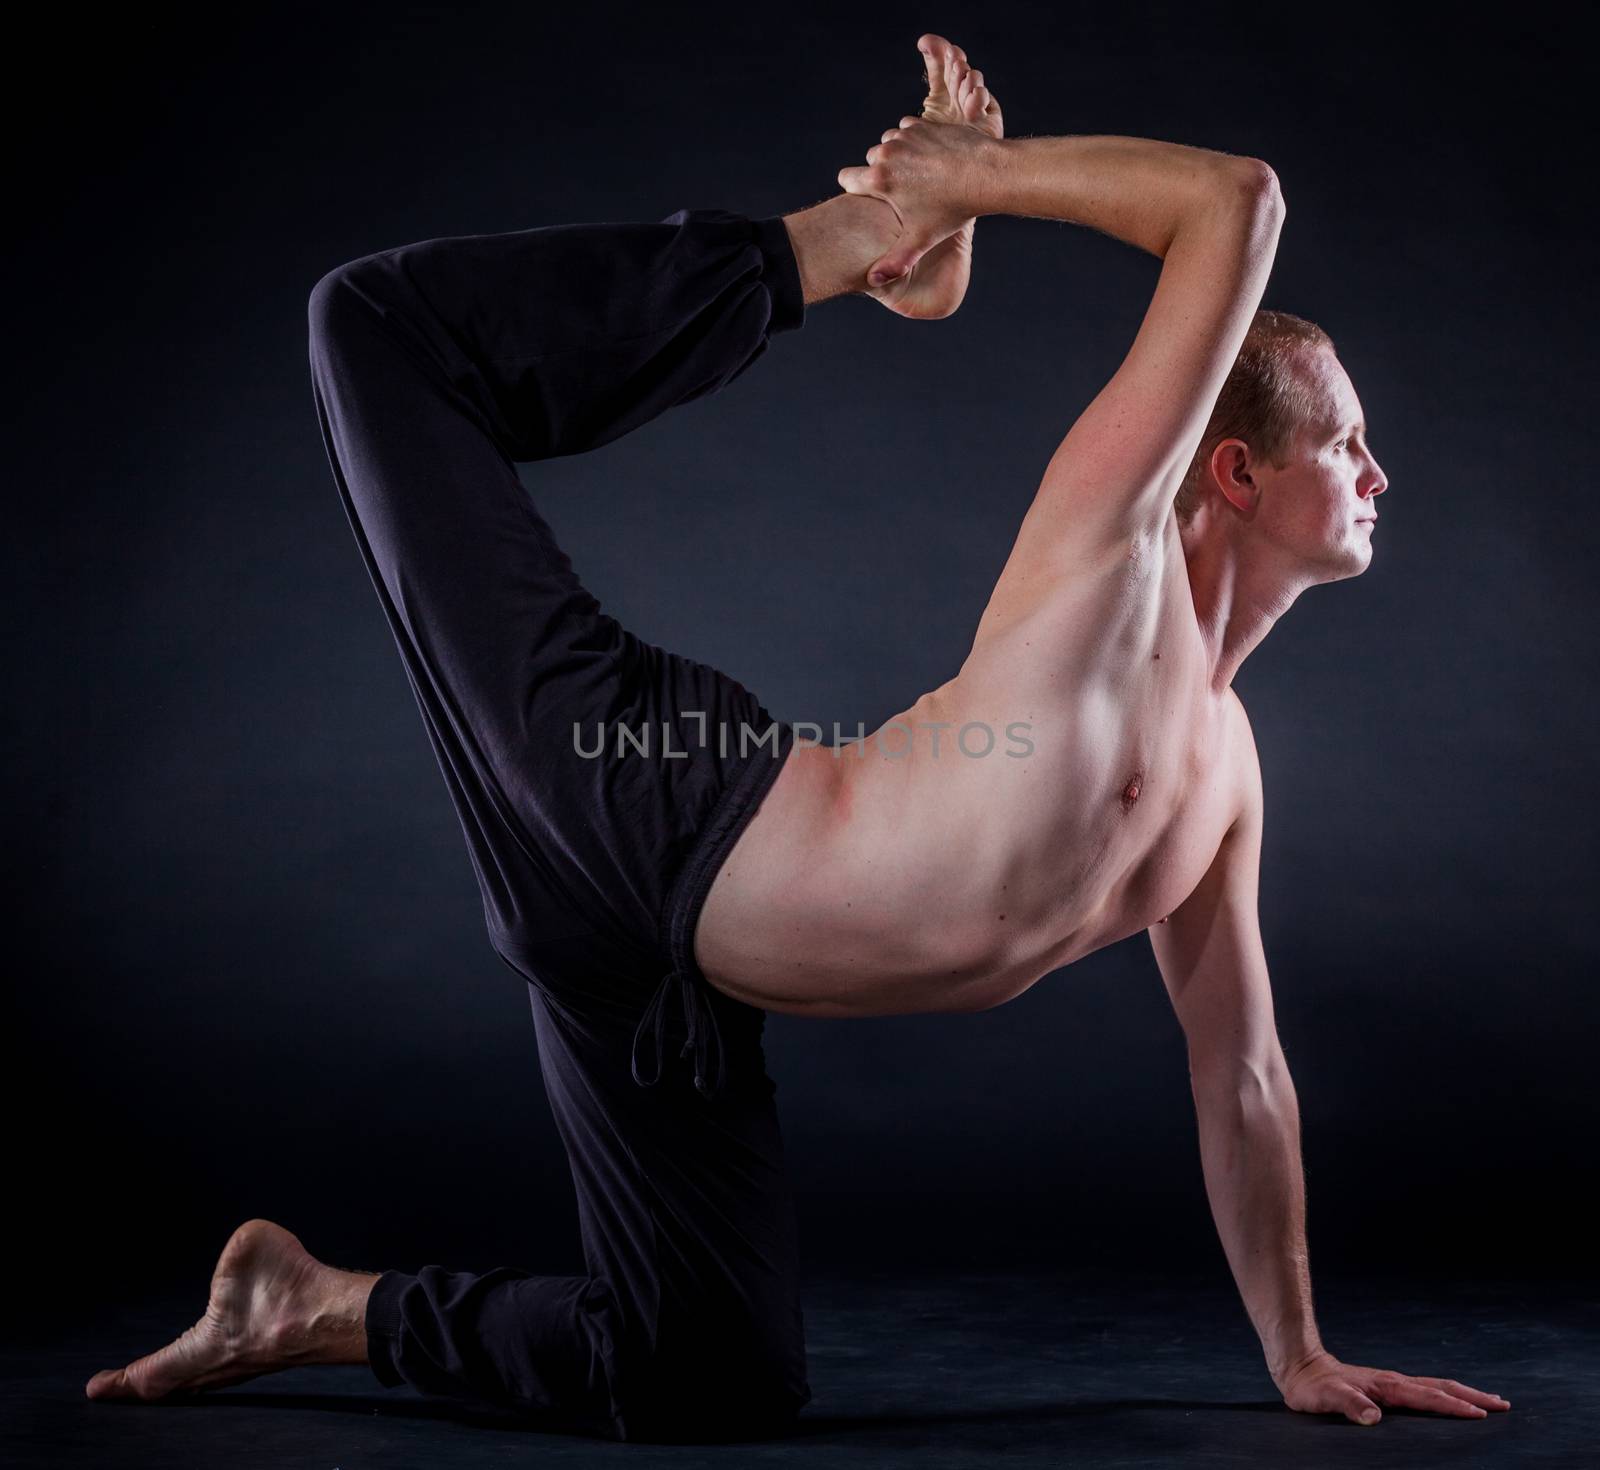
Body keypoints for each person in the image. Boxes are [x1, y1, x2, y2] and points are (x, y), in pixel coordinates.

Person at [86, 32, 1509, 1441]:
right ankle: (853, 242)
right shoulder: (1115, 555)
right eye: (1347, 445)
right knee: (379, 330)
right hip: (643, 799)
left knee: (708, 1374)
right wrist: (963, 183)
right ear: (1239, 472)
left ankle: (302, 1306)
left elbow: (1242, 1071)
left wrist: (1300, 1351)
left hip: (661, 981)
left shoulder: (1229, 770)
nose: (1381, 474)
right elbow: (1237, 203)